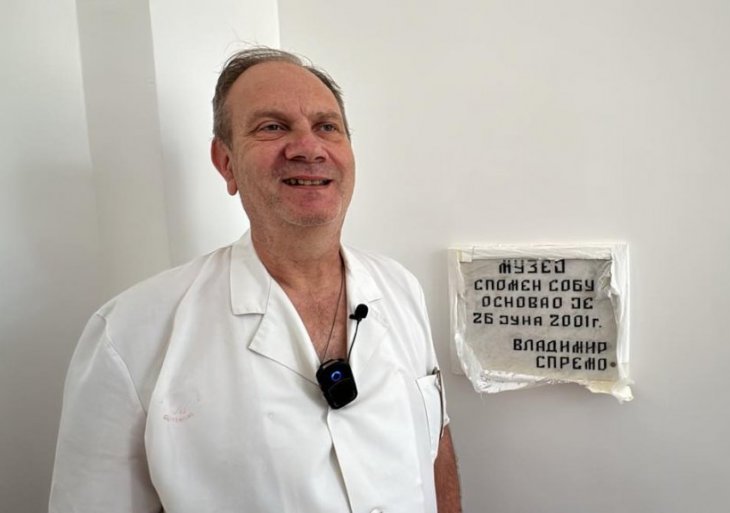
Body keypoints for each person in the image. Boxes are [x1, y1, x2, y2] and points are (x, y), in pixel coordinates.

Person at [49, 47, 462, 513]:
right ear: (226, 162)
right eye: (272, 127)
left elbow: (436, 446)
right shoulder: (127, 336)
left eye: (327, 127)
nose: (309, 147)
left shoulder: (401, 289)